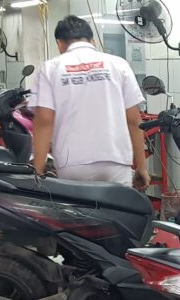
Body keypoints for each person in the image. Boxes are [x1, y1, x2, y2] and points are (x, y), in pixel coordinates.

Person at [29, 15, 150, 190]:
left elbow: (44, 122)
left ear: (60, 44)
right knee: (119, 207)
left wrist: (37, 172)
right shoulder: (119, 65)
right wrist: (142, 166)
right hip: (115, 161)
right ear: (92, 41)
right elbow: (133, 119)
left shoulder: (50, 68)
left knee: (78, 208)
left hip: (72, 164)